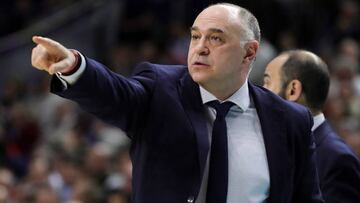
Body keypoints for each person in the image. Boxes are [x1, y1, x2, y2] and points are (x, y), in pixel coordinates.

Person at [31, 3, 324, 203]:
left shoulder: (291, 120)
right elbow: (114, 92)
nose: (199, 48)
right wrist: (74, 67)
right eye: (195, 37)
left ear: (250, 53)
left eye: (216, 39)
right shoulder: (160, 88)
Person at [263, 50, 360, 203]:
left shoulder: (337, 159)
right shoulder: (275, 143)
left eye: (267, 82)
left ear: (293, 90)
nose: (261, 92)